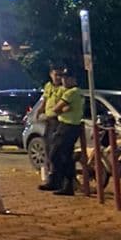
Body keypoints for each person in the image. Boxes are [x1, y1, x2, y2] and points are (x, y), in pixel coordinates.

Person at [44, 64, 85, 197]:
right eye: (63, 78)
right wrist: (64, 109)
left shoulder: (71, 92)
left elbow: (56, 109)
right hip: (68, 126)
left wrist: (61, 109)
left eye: (67, 78)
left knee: (55, 154)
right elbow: (60, 108)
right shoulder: (75, 92)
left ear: (74, 80)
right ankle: (66, 185)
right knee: (63, 155)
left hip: (67, 126)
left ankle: (62, 181)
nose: (64, 80)